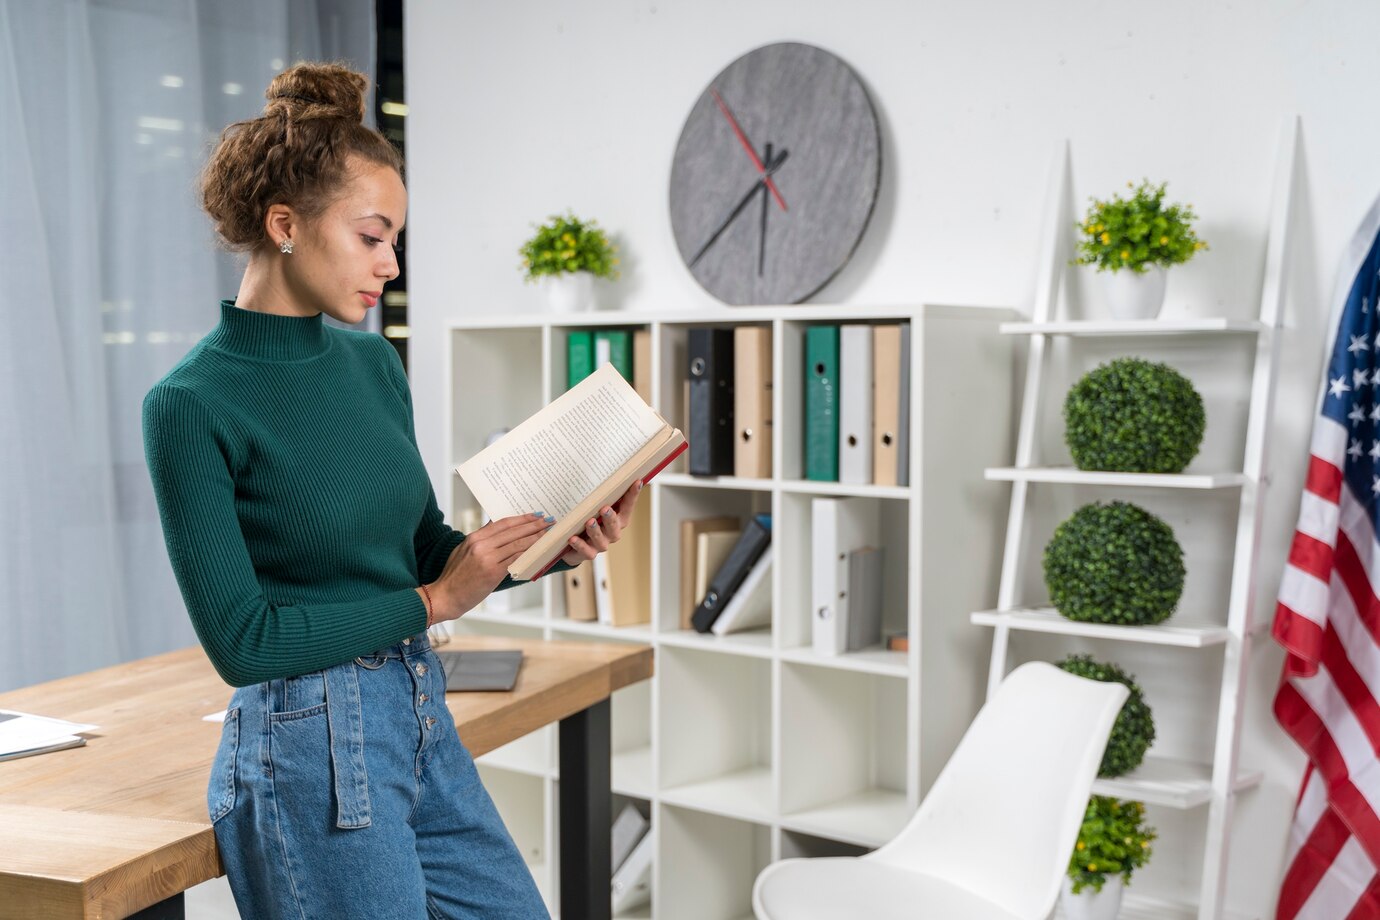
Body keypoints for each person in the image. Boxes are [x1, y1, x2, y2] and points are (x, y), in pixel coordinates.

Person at [142, 61, 637, 919]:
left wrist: (544, 547)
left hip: (415, 709)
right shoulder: (191, 404)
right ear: (284, 224)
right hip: (306, 743)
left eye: (395, 241)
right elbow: (243, 643)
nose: (391, 264)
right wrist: (439, 598)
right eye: (372, 237)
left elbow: (422, 548)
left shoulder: (373, 362)